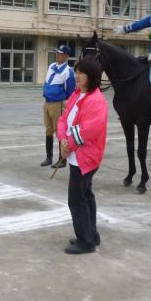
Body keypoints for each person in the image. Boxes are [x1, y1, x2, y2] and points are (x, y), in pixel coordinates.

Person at [57, 57, 108, 255]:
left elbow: (88, 130)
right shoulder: (77, 95)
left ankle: (85, 241)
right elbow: (64, 119)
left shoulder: (96, 100)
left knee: (76, 199)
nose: (77, 75)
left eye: (81, 72)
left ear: (92, 76)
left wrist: (67, 144)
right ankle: (91, 234)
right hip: (75, 155)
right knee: (86, 196)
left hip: (85, 157)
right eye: (76, 71)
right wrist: (62, 139)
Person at [41, 44, 76, 168]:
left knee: (60, 131)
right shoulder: (51, 66)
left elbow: (70, 92)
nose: (57, 55)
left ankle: (62, 160)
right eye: (57, 53)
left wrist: (65, 104)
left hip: (58, 104)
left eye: (60, 53)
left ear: (66, 56)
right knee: (48, 130)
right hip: (47, 102)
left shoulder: (68, 71)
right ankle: (49, 157)